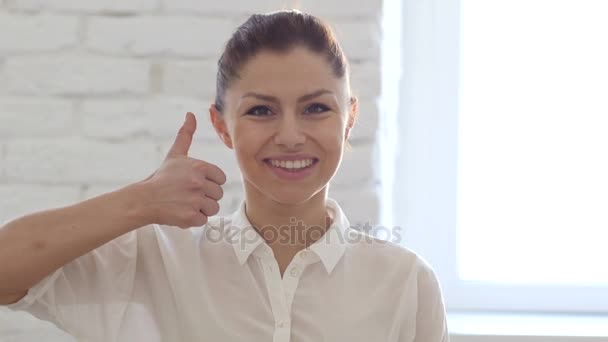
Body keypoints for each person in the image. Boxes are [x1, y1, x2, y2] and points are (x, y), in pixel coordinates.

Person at [0, 10, 449, 342]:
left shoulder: (406, 283)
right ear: (221, 125)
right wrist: (142, 201)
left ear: (349, 118)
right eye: (261, 110)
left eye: (316, 108)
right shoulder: (156, 259)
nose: (290, 136)